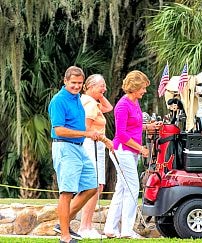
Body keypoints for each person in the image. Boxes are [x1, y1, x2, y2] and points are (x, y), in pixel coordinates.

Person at [103, 70, 162, 239]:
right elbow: (121, 134)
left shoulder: (135, 103)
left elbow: (133, 126)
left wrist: (147, 127)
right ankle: (127, 230)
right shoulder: (122, 105)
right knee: (132, 188)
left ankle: (110, 228)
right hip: (122, 151)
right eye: (143, 88)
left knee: (121, 189)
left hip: (130, 151)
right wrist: (141, 148)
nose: (145, 91)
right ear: (134, 87)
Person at [48, 66, 101, 243]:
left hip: (78, 148)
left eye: (79, 83)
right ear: (65, 81)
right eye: (73, 83)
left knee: (91, 186)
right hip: (64, 147)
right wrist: (86, 134)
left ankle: (62, 223)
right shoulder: (58, 101)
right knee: (67, 192)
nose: (76, 86)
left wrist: (96, 135)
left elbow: (79, 126)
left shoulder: (77, 97)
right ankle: (65, 237)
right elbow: (59, 130)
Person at [77, 74, 114, 239]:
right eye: (102, 86)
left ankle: (88, 225)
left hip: (96, 145)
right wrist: (106, 140)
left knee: (97, 185)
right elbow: (87, 129)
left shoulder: (91, 101)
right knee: (93, 185)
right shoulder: (90, 103)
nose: (105, 89)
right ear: (90, 87)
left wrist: (99, 93)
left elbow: (109, 108)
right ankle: (84, 227)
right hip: (91, 145)